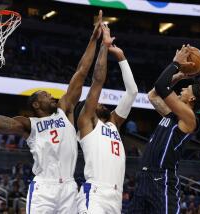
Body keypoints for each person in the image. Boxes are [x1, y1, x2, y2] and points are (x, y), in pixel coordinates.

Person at [0, 10, 104, 214]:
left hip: (69, 187)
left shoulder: (64, 110)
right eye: (45, 95)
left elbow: (81, 72)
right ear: (35, 105)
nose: (51, 96)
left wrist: (94, 39)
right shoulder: (28, 124)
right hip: (44, 188)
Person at [129, 45, 200, 213]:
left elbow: (161, 86)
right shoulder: (170, 114)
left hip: (162, 180)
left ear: (192, 98)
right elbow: (153, 95)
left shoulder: (189, 117)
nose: (181, 89)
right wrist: (179, 75)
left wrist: (176, 63)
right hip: (144, 178)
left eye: (185, 89)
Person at [77, 24, 138, 214]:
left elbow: (132, 92)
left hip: (116, 196)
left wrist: (121, 57)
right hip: (95, 193)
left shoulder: (113, 123)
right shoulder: (87, 122)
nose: (100, 102)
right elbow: (97, 80)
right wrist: (104, 46)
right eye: (96, 102)